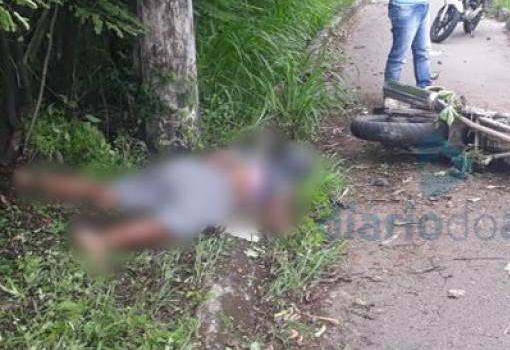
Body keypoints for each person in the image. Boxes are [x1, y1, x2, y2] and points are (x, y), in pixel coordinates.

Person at [15, 140, 315, 267]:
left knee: (112, 191)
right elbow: (281, 225)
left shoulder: (251, 158)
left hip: (186, 172)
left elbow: (216, 159)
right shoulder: (279, 186)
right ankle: (102, 239)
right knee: (171, 224)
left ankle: (34, 182)